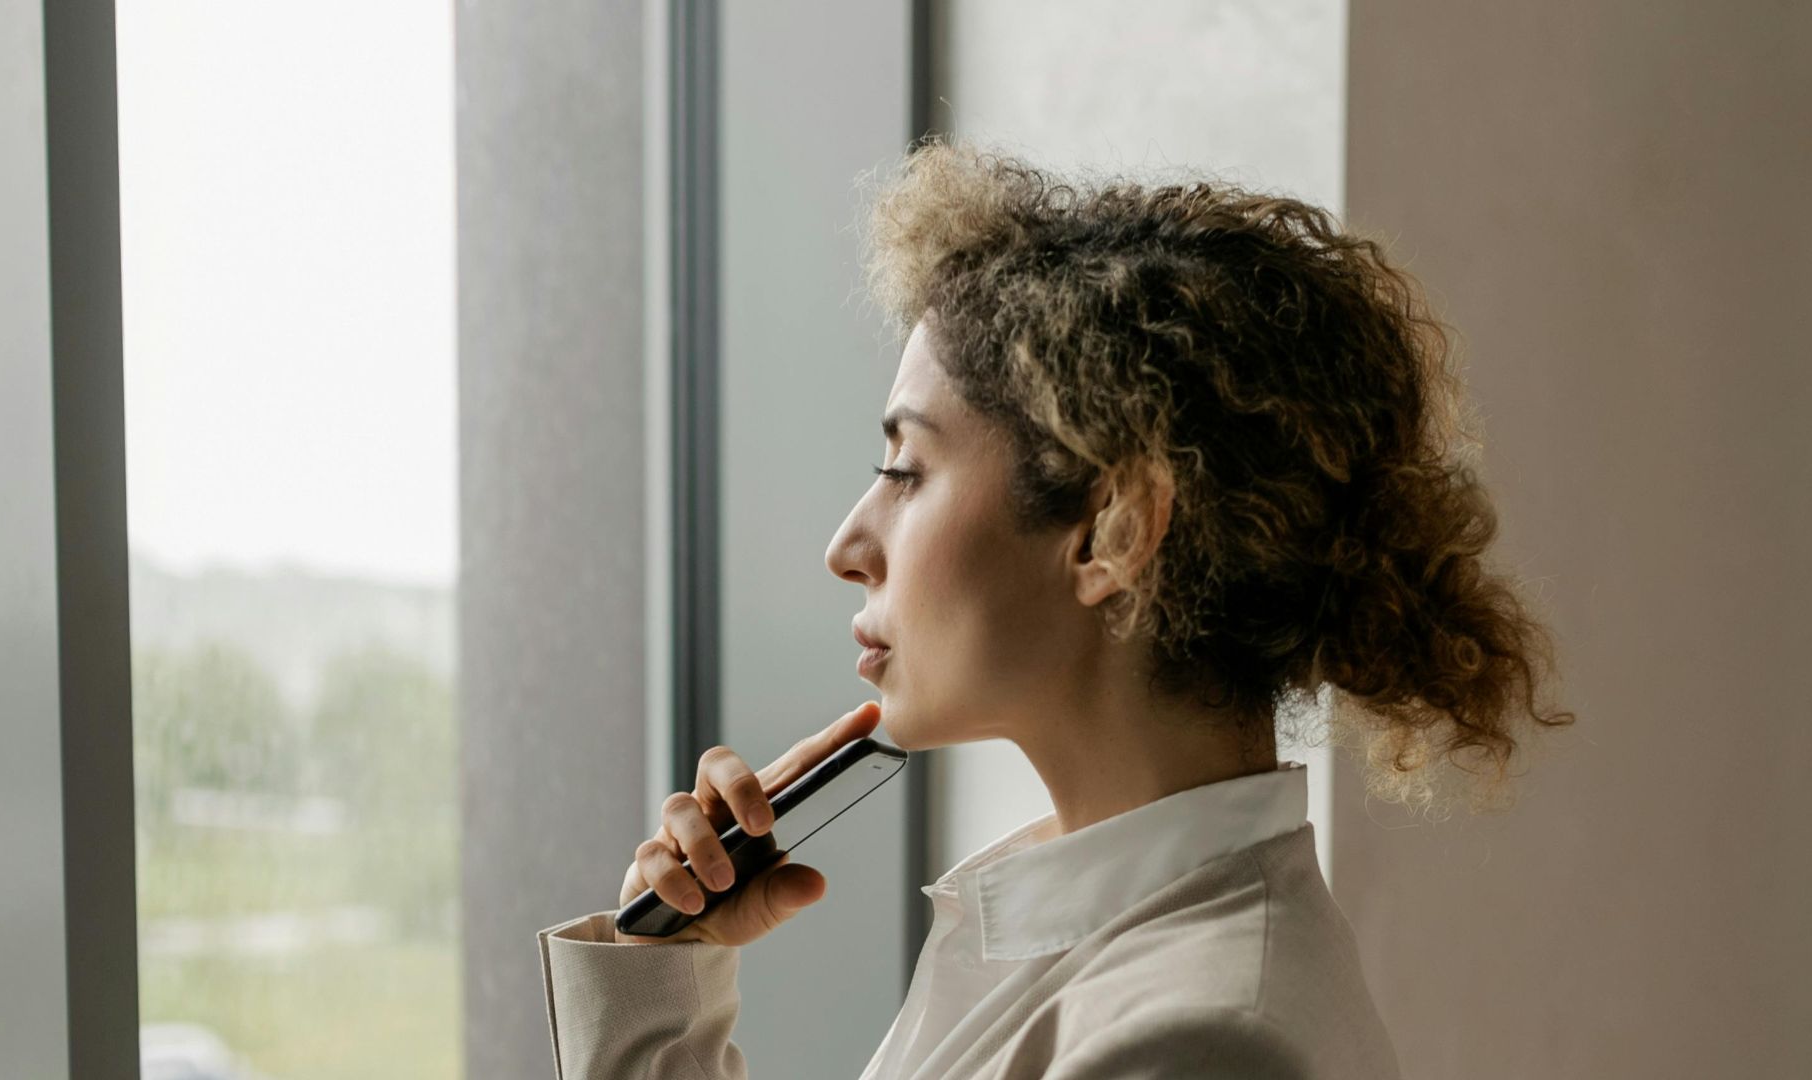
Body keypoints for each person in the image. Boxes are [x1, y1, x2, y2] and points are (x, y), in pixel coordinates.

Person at [535, 138, 1574, 1079]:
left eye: (904, 471)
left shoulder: (1194, 1044)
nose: (846, 548)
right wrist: (661, 977)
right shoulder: (1092, 946)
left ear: (1113, 528)